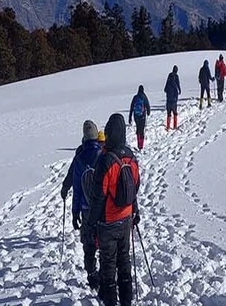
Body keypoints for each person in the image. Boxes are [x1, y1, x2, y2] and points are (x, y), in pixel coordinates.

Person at [89, 113, 141, 306]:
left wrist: (92, 223)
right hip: (126, 218)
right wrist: (135, 211)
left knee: (108, 266)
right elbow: (135, 187)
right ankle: (127, 301)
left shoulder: (105, 161)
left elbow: (98, 197)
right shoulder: (131, 158)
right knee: (124, 261)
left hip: (108, 222)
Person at [60, 120, 103, 291]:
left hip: (85, 209)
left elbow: (76, 189)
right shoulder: (103, 155)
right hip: (102, 210)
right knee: (104, 241)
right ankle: (106, 272)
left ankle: (92, 274)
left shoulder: (79, 158)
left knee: (89, 243)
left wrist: (74, 213)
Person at [128, 85, 150, 151]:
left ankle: (138, 144)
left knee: (138, 129)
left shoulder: (135, 97)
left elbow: (131, 107)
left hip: (136, 115)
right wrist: (148, 112)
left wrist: (130, 117)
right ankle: (141, 145)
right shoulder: (144, 97)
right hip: (142, 115)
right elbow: (147, 105)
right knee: (142, 130)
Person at [164, 65, 181, 130]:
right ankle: (175, 126)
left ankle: (168, 126)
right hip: (173, 101)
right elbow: (178, 84)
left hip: (168, 100)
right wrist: (179, 90)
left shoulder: (169, 77)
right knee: (175, 113)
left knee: (168, 114)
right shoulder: (176, 77)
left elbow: (165, 89)